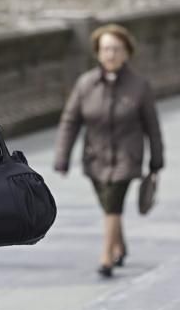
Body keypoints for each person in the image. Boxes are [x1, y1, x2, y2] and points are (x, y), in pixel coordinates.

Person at [54, 24, 164, 277]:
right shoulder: (86, 84)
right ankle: (120, 245)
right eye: (105, 49)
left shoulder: (140, 86)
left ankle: (106, 257)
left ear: (127, 52)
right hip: (96, 158)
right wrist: (63, 158)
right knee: (108, 207)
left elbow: (153, 127)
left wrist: (156, 162)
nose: (110, 55)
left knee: (113, 203)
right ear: (97, 53)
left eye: (116, 49)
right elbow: (70, 121)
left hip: (127, 158)